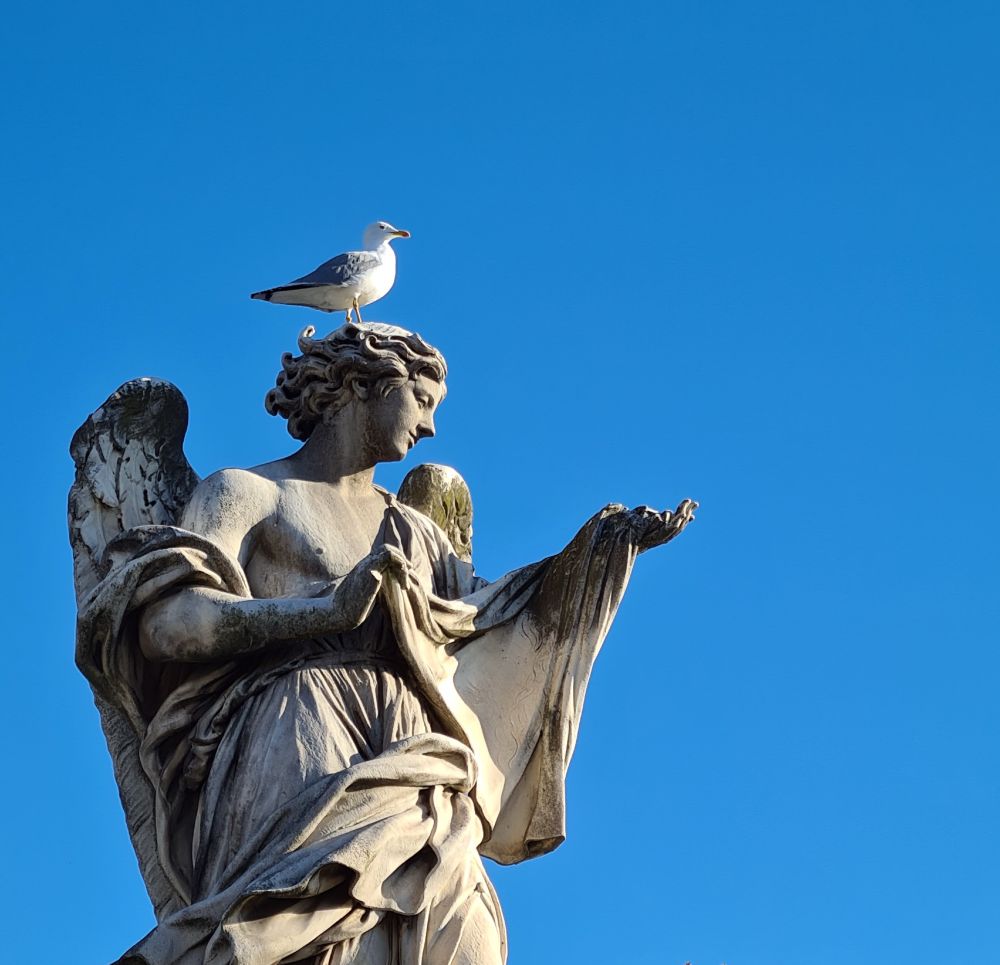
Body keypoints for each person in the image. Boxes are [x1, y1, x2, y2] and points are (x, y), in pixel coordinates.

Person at [75, 322, 696, 965]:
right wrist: (324, 610)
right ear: (362, 384)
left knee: (469, 940)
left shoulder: (418, 531)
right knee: (313, 929)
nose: (428, 427)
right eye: (422, 400)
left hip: (417, 751)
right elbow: (169, 625)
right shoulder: (249, 493)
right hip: (293, 727)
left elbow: (487, 627)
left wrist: (594, 556)